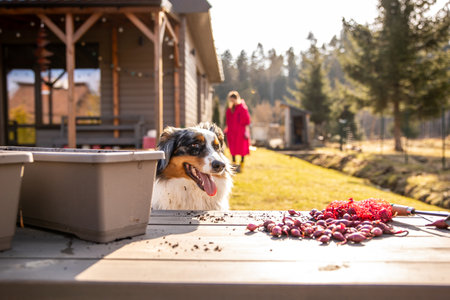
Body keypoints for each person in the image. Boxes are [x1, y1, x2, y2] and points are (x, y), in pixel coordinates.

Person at [224, 91, 251, 173]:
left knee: (242, 148)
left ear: (237, 99)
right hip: (232, 132)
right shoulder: (230, 109)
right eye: (231, 100)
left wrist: (245, 130)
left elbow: (247, 120)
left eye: (233, 100)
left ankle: (241, 164)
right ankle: (234, 164)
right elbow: (228, 121)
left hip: (240, 132)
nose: (232, 102)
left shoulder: (243, 108)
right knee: (233, 148)